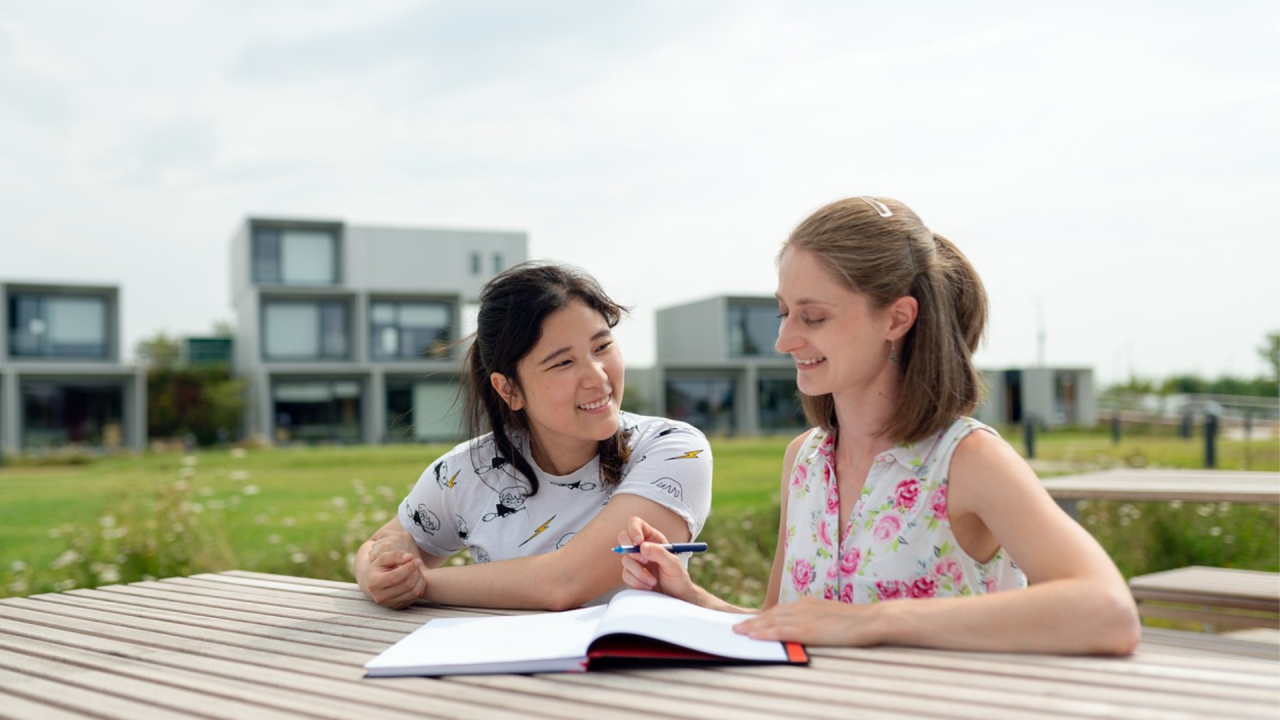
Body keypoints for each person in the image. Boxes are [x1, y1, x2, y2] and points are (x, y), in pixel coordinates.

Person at [620, 196, 1141, 655]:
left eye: (813, 316)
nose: (784, 340)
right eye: (783, 313)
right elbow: (788, 626)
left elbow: (1108, 611)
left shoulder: (968, 460)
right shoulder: (803, 460)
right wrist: (689, 597)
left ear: (896, 319)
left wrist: (874, 622)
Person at [357, 261, 712, 610]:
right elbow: (377, 547)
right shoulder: (465, 472)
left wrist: (420, 584)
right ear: (508, 389)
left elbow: (564, 583)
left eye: (602, 347)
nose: (598, 377)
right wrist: (381, 573)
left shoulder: (674, 449)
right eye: (563, 363)